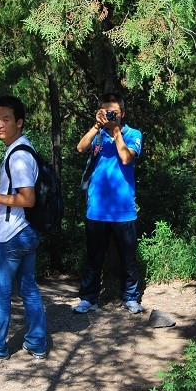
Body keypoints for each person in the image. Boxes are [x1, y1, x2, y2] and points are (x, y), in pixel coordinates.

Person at [0, 95, 48, 360]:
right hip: (25, 231)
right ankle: (37, 342)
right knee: (28, 287)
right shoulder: (23, 149)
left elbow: (28, 199)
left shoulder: (19, 156)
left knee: (0, 291)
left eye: (6, 119)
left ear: (20, 122)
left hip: (11, 235)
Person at [72, 92, 144, 314]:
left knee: (128, 259)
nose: (111, 115)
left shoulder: (133, 134)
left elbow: (126, 158)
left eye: (114, 112)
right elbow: (80, 148)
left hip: (123, 209)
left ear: (122, 113)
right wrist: (97, 126)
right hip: (97, 209)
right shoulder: (98, 134)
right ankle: (88, 298)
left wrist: (116, 132)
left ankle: (131, 297)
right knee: (93, 259)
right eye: (106, 112)